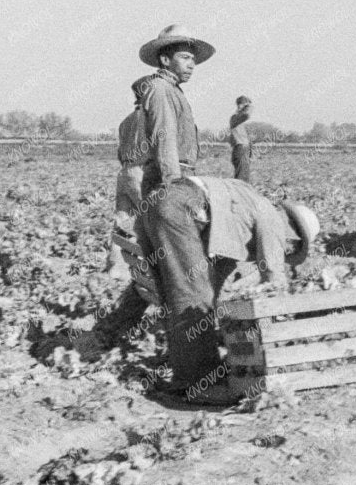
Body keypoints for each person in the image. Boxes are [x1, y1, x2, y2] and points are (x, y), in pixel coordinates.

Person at [97, 176, 320, 401]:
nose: (288, 249)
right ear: (294, 233)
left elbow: (216, 277)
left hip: (160, 205)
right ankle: (202, 384)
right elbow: (273, 280)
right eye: (293, 246)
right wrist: (282, 327)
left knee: (175, 298)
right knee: (193, 298)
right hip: (181, 205)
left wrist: (224, 321)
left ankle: (185, 380)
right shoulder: (273, 219)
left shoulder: (243, 217)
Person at [133, 24, 212, 195]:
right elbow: (165, 140)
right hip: (167, 178)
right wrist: (174, 186)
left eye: (193, 59)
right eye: (185, 57)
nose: (191, 65)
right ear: (166, 60)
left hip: (180, 175)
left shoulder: (173, 90)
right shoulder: (160, 89)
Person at [107, 80, 151, 281]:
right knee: (155, 219)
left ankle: (116, 266)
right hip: (141, 172)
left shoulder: (125, 121)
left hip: (124, 172)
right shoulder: (152, 117)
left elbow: (119, 152)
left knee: (122, 222)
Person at [229, 97, 256, 182]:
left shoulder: (240, 123)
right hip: (240, 148)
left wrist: (251, 153)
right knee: (241, 179)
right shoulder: (234, 118)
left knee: (244, 177)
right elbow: (246, 115)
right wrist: (250, 106)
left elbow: (247, 140)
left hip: (244, 148)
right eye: (242, 105)